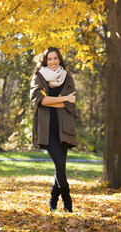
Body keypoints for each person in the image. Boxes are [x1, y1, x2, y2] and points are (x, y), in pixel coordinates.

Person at [30, 47, 76, 212]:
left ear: (60, 59)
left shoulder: (67, 77)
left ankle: (53, 199)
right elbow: (39, 100)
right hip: (46, 128)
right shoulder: (39, 76)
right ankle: (67, 201)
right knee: (60, 163)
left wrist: (52, 100)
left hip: (65, 128)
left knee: (60, 166)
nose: (53, 62)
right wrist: (63, 99)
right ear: (45, 61)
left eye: (55, 58)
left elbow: (71, 103)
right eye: (49, 59)